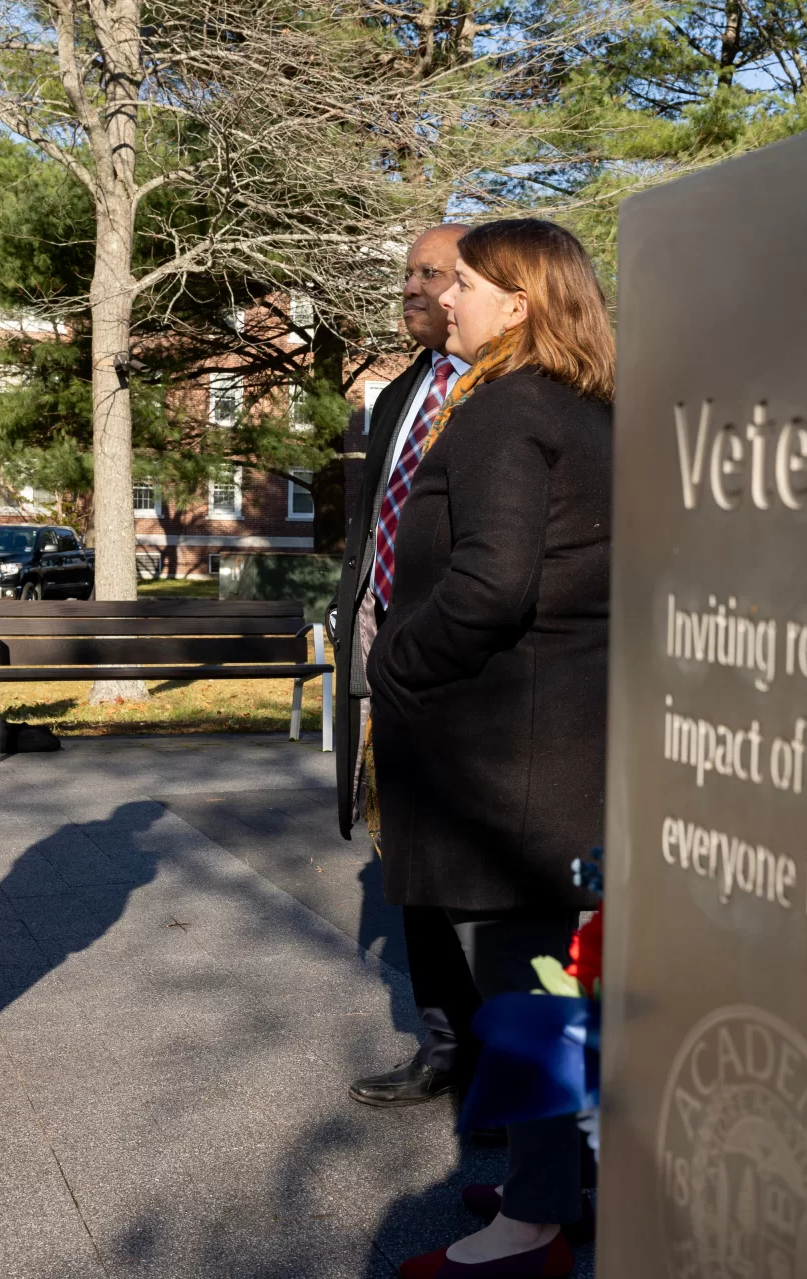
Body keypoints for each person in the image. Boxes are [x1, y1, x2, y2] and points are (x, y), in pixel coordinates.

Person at [367, 219, 614, 1278]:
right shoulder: (582, 404)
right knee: (550, 976)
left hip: (510, 753)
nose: (442, 297)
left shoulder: (505, 406)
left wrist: (394, 666)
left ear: (517, 303)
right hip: (561, 737)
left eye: (462, 283)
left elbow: (488, 584)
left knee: (522, 982)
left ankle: (531, 1230)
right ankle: (549, 1182)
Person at [333, 223, 490, 1110]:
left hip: (469, 656)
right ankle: (444, 1042)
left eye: (434, 274)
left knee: (482, 865)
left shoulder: (508, 394)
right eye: (408, 274)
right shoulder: (398, 393)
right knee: (405, 853)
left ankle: (515, 1068)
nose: (413, 288)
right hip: (382, 642)